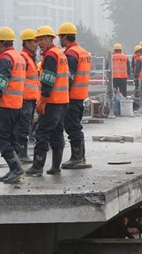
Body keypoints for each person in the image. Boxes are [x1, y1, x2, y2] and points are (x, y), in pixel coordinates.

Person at [25, 25, 69, 176]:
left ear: (50, 39)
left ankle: (37, 167)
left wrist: (42, 101)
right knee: (57, 134)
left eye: (41, 40)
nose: (38, 43)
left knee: (42, 133)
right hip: (63, 101)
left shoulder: (50, 56)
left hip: (52, 102)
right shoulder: (60, 54)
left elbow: (48, 81)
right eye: (37, 40)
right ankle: (55, 166)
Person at [0, 26, 26, 184]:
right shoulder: (19, 57)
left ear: (1, 43)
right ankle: (14, 170)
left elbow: (0, 82)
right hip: (16, 106)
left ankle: (16, 169)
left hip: (4, 106)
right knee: (12, 139)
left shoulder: (4, 58)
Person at [58, 22, 92, 170]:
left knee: (72, 127)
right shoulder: (83, 51)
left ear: (65, 37)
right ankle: (80, 156)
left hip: (71, 96)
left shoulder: (71, 54)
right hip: (81, 95)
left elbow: (68, 78)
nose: (59, 39)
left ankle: (77, 158)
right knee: (76, 126)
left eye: (60, 36)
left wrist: (61, 95)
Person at [16, 28, 40, 163]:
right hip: (24, 99)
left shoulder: (31, 58)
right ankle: (22, 154)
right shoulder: (24, 58)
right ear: (26, 43)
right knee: (23, 127)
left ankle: (22, 153)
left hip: (30, 99)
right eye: (34, 41)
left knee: (28, 126)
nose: (36, 44)